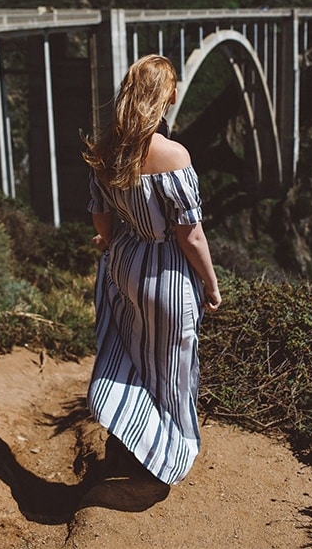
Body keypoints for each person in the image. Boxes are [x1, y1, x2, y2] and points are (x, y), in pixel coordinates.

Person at [82, 54, 222, 488]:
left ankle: (127, 435)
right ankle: (163, 457)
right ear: (167, 96)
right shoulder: (174, 156)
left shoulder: (107, 152)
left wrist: (107, 242)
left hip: (124, 264)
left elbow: (100, 215)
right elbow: (191, 236)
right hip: (165, 271)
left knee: (132, 350)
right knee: (173, 364)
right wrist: (211, 285)